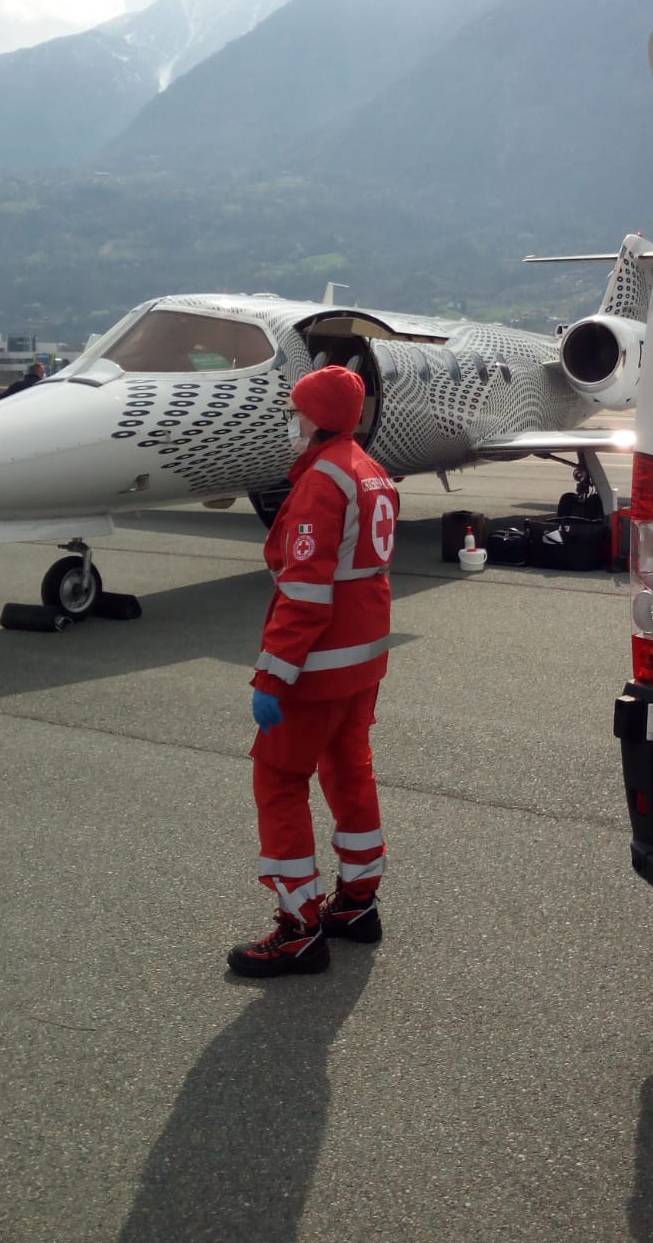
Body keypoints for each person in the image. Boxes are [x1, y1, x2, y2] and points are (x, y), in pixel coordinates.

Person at [228, 364, 400, 978]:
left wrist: (273, 675)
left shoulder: (323, 480)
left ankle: (298, 928)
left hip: (320, 664)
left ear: (318, 417)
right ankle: (357, 902)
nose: (292, 421)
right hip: (364, 658)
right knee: (350, 769)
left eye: (296, 411)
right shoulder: (371, 471)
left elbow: (304, 593)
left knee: (280, 780)